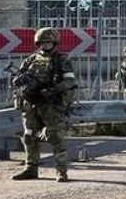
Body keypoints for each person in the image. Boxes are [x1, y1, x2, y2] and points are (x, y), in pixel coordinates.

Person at [10, 27, 77, 182]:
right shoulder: (31, 59)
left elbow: (69, 81)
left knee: (55, 136)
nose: (45, 45)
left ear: (54, 43)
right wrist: (17, 82)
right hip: (31, 103)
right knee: (29, 136)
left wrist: (53, 89)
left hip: (50, 104)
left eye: (48, 42)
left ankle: (61, 171)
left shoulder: (61, 59)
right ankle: (31, 168)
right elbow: (19, 78)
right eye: (42, 43)